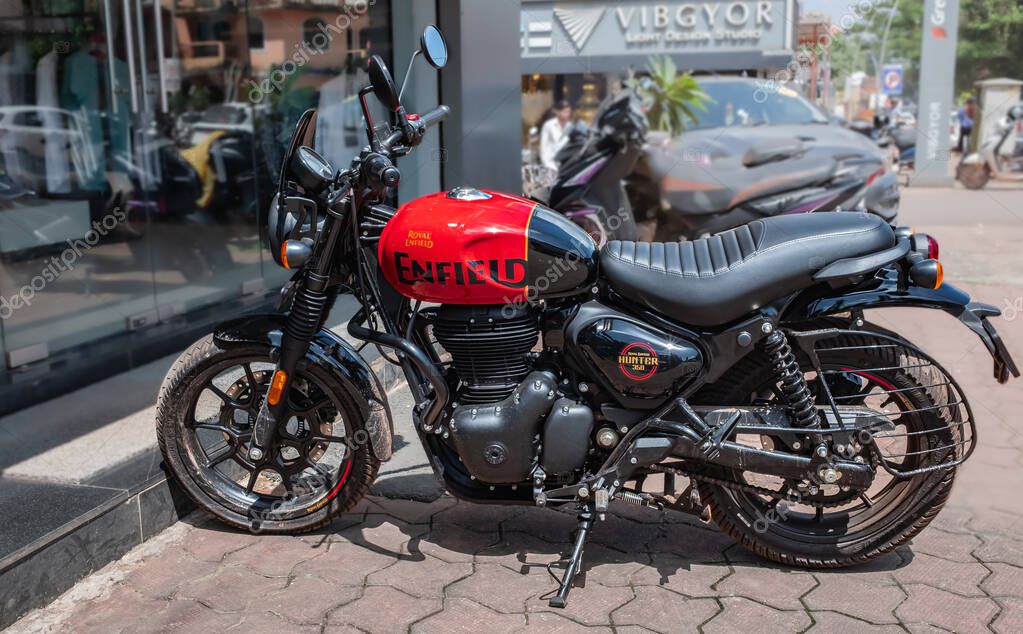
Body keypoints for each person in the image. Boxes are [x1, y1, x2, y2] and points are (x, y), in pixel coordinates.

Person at [539, 100, 572, 171]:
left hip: (565, 164)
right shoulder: (549, 125)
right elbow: (543, 147)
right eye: (565, 112)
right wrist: (547, 165)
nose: (567, 114)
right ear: (557, 112)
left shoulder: (570, 126)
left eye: (569, 112)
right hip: (550, 164)